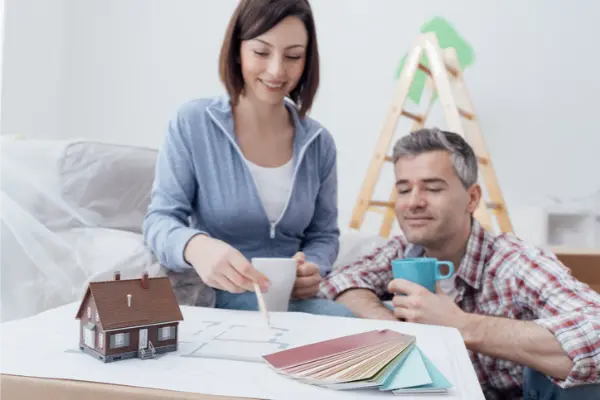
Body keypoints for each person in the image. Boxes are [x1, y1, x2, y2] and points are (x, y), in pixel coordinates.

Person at [318, 127, 600, 399]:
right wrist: (391, 325)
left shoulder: (514, 262)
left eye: (433, 188)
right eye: (404, 190)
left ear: (472, 198)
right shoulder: (404, 250)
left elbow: (595, 329)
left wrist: (461, 325)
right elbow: (341, 280)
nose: (413, 202)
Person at [143, 0, 353, 318]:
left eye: (293, 56)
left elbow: (323, 235)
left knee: (364, 322)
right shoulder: (192, 123)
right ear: (237, 50)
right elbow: (159, 221)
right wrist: (196, 246)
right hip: (215, 299)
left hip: (289, 303)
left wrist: (312, 267)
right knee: (345, 321)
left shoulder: (319, 144)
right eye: (261, 52)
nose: (276, 70)